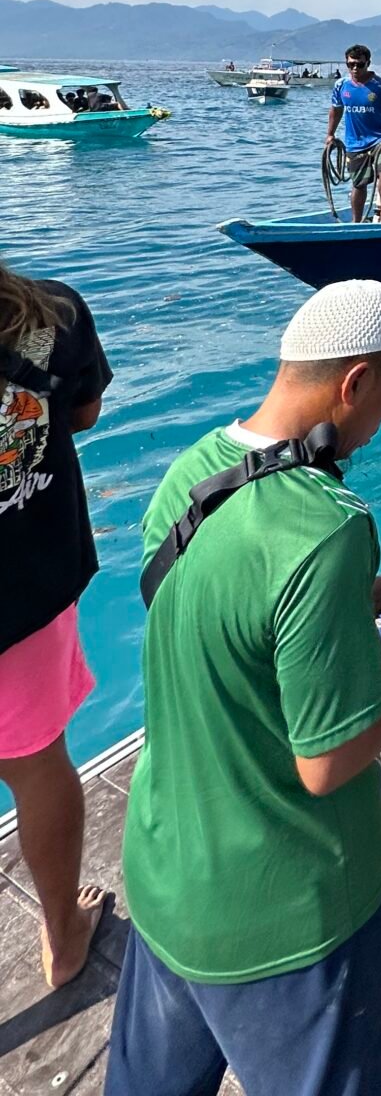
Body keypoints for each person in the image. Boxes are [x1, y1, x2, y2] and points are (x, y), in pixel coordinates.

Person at [108, 281, 381, 1096]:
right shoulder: (327, 524)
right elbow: (329, 759)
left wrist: (364, 596)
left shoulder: (194, 473)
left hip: (168, 873)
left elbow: (212, 612)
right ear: (354, 383)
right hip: (286, 914)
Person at [0, 260, 112, 991]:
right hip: (22, 591)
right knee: (38, 763)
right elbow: (83, 413)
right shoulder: (50, 315)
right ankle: (63, 935)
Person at [326, 44, 381, 224]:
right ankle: (356, 222)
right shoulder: (341, 86)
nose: (355, 68)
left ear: (368, 63)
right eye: (351, 64)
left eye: (359, 65)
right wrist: (330, 134)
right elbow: (336, 110)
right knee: (358, 183)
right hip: (355, 143)